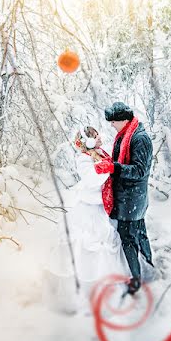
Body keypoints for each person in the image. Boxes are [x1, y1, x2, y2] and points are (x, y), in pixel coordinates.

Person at [43, 126, 128, 314]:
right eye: (95, 137)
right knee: (87, 251)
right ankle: (82, 296)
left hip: (101, 210)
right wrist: (106, 168)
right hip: (88, 212)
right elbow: (92, 180)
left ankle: (105, 294)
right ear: (87, 141)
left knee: (103, 252)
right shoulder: (83, 158)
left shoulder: (99, 153)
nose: (99, 139)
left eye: (98, 135)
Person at [95, 101, 154, 295]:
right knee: (138, 233)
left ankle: (136, 279)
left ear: (124, 120)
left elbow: (139, 170)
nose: (111, 125)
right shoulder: (125, 135)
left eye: (113, 121)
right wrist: (109, 162)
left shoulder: (140, 139)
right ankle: (148, 266)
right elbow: (121, 162)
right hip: (128, 197)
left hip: (132, 198)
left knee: (129, 237)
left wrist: (114, 168)